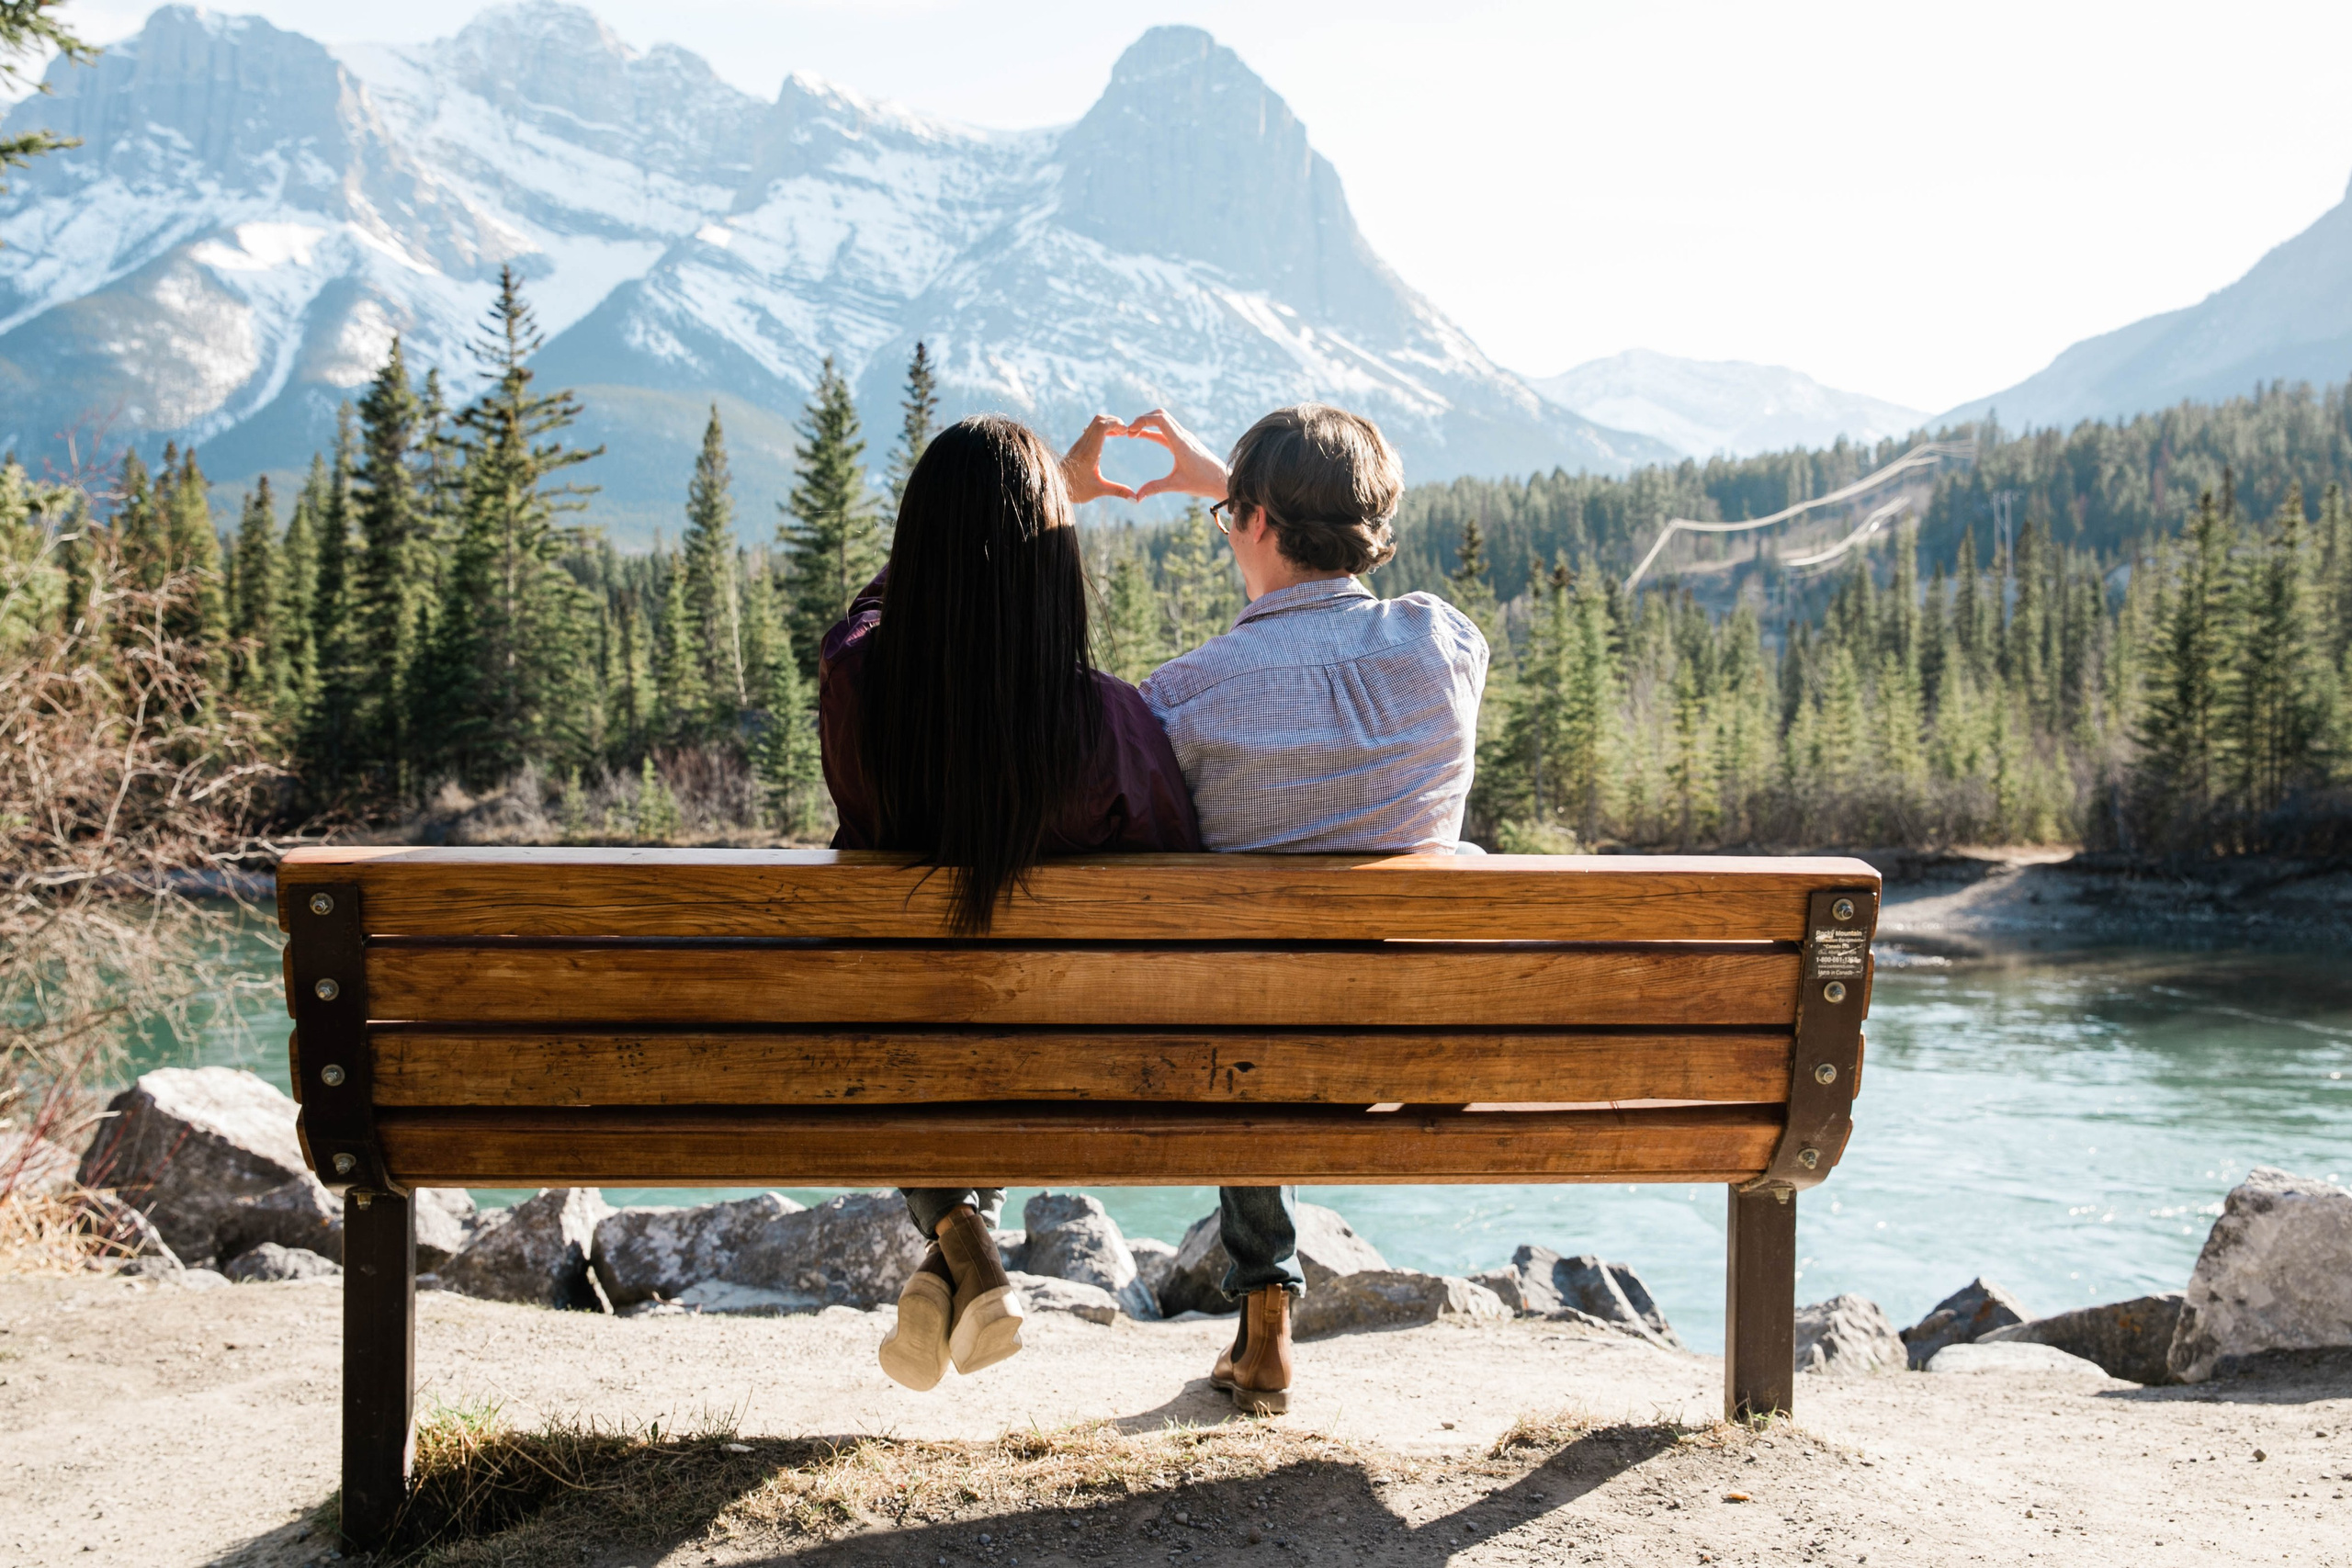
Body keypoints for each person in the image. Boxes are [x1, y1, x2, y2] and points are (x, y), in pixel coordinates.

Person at [818, 412, 1202, 1393]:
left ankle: (957, 1229)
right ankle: (967, 1241)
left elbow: (863, 623)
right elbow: (1176, 883)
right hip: (1070, 1061)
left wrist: (1023, 507)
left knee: (924, 1011)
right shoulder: (1108, 719)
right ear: (1055, 564)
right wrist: (1052, 506)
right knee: (995, 1013)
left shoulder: (858, 686)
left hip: (898, 1045)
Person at [1127, 400, 1489, 1415]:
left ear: (1249, 523)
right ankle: (1266, 1314)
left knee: (1241, 998)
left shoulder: (1184, 696)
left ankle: (1266, 1307)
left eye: (1230, 517)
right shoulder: (1442, 649)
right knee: (1278, 996)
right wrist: (1238, 493)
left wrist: (1231, 497)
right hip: (1410, 1049)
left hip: (1240, 1062)